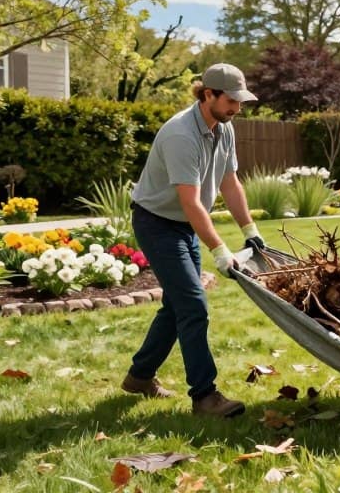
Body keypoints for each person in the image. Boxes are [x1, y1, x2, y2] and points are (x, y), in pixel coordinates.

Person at [120, 63, 266, 418]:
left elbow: (230, 183)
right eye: (231, 100)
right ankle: (205, 396)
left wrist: (250, 231)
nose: (237, 108)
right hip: (157, 223)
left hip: (182, 224)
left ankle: (140, 376)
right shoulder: (180, 135)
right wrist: (218, 249)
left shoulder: (223, 129)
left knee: (177, 306)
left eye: (240, 102)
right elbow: (191, 201)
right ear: (207, 95)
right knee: (193, 305)